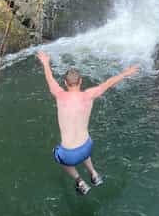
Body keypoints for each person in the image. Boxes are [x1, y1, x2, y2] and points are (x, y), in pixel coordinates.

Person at [36, 50, 139, 195]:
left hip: (68, 155)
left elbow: (50, 79)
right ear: (81, 81)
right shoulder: (89, 95)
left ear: (65, 83)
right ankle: (94, 174)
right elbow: (108, 83)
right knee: (82, 143)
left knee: (56, 154)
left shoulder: (59, 95)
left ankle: (80, 181)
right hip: (87, 147)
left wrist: (46, 63)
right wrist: (125, 73)